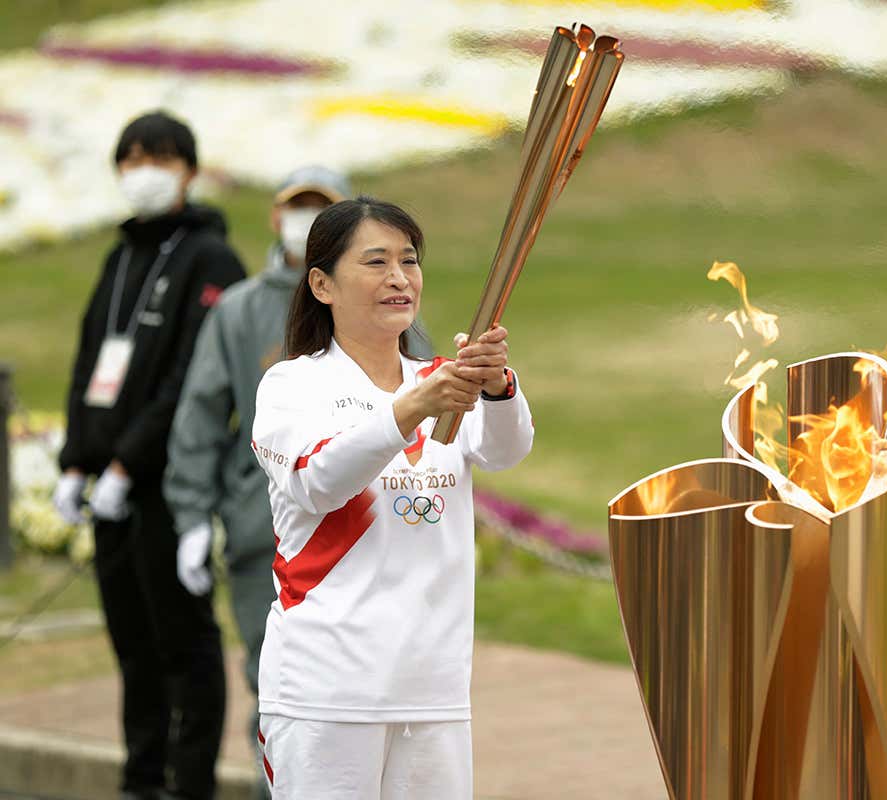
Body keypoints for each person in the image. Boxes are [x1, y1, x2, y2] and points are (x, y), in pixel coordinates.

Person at [251, 196, 533, 799]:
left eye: (409, 260)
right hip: (326, 688)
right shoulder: (293, 385)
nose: (399, 277)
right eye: (376, 262)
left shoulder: (440, 378)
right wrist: (409, 411)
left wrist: (497, 386)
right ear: (322, 284)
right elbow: (317, 479)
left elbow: (506, 450)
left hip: (432, 688)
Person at [51, 110, 243, 800]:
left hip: (167, 484)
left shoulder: (210, 258)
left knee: (182, 643)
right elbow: (89, 363)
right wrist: (78, 461)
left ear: (189, 170)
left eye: (158, 158)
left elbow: (192, 375)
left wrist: (130, 462)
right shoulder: (122, 254)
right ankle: (141, 779)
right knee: (132, 643)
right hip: (108, 484)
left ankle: (187, 785)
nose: (144, 172)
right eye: (131, 159)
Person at [163, 165, 350, 800]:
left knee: (350, 695)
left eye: (322, 212)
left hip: (358, 534)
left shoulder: (375, 301)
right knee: (279, 690)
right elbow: (200, 415)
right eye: (296, 209)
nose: (305, 224)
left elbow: (424, 408)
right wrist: (192, 518)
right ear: (275, 218)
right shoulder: (241, 310)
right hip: (262, 535)